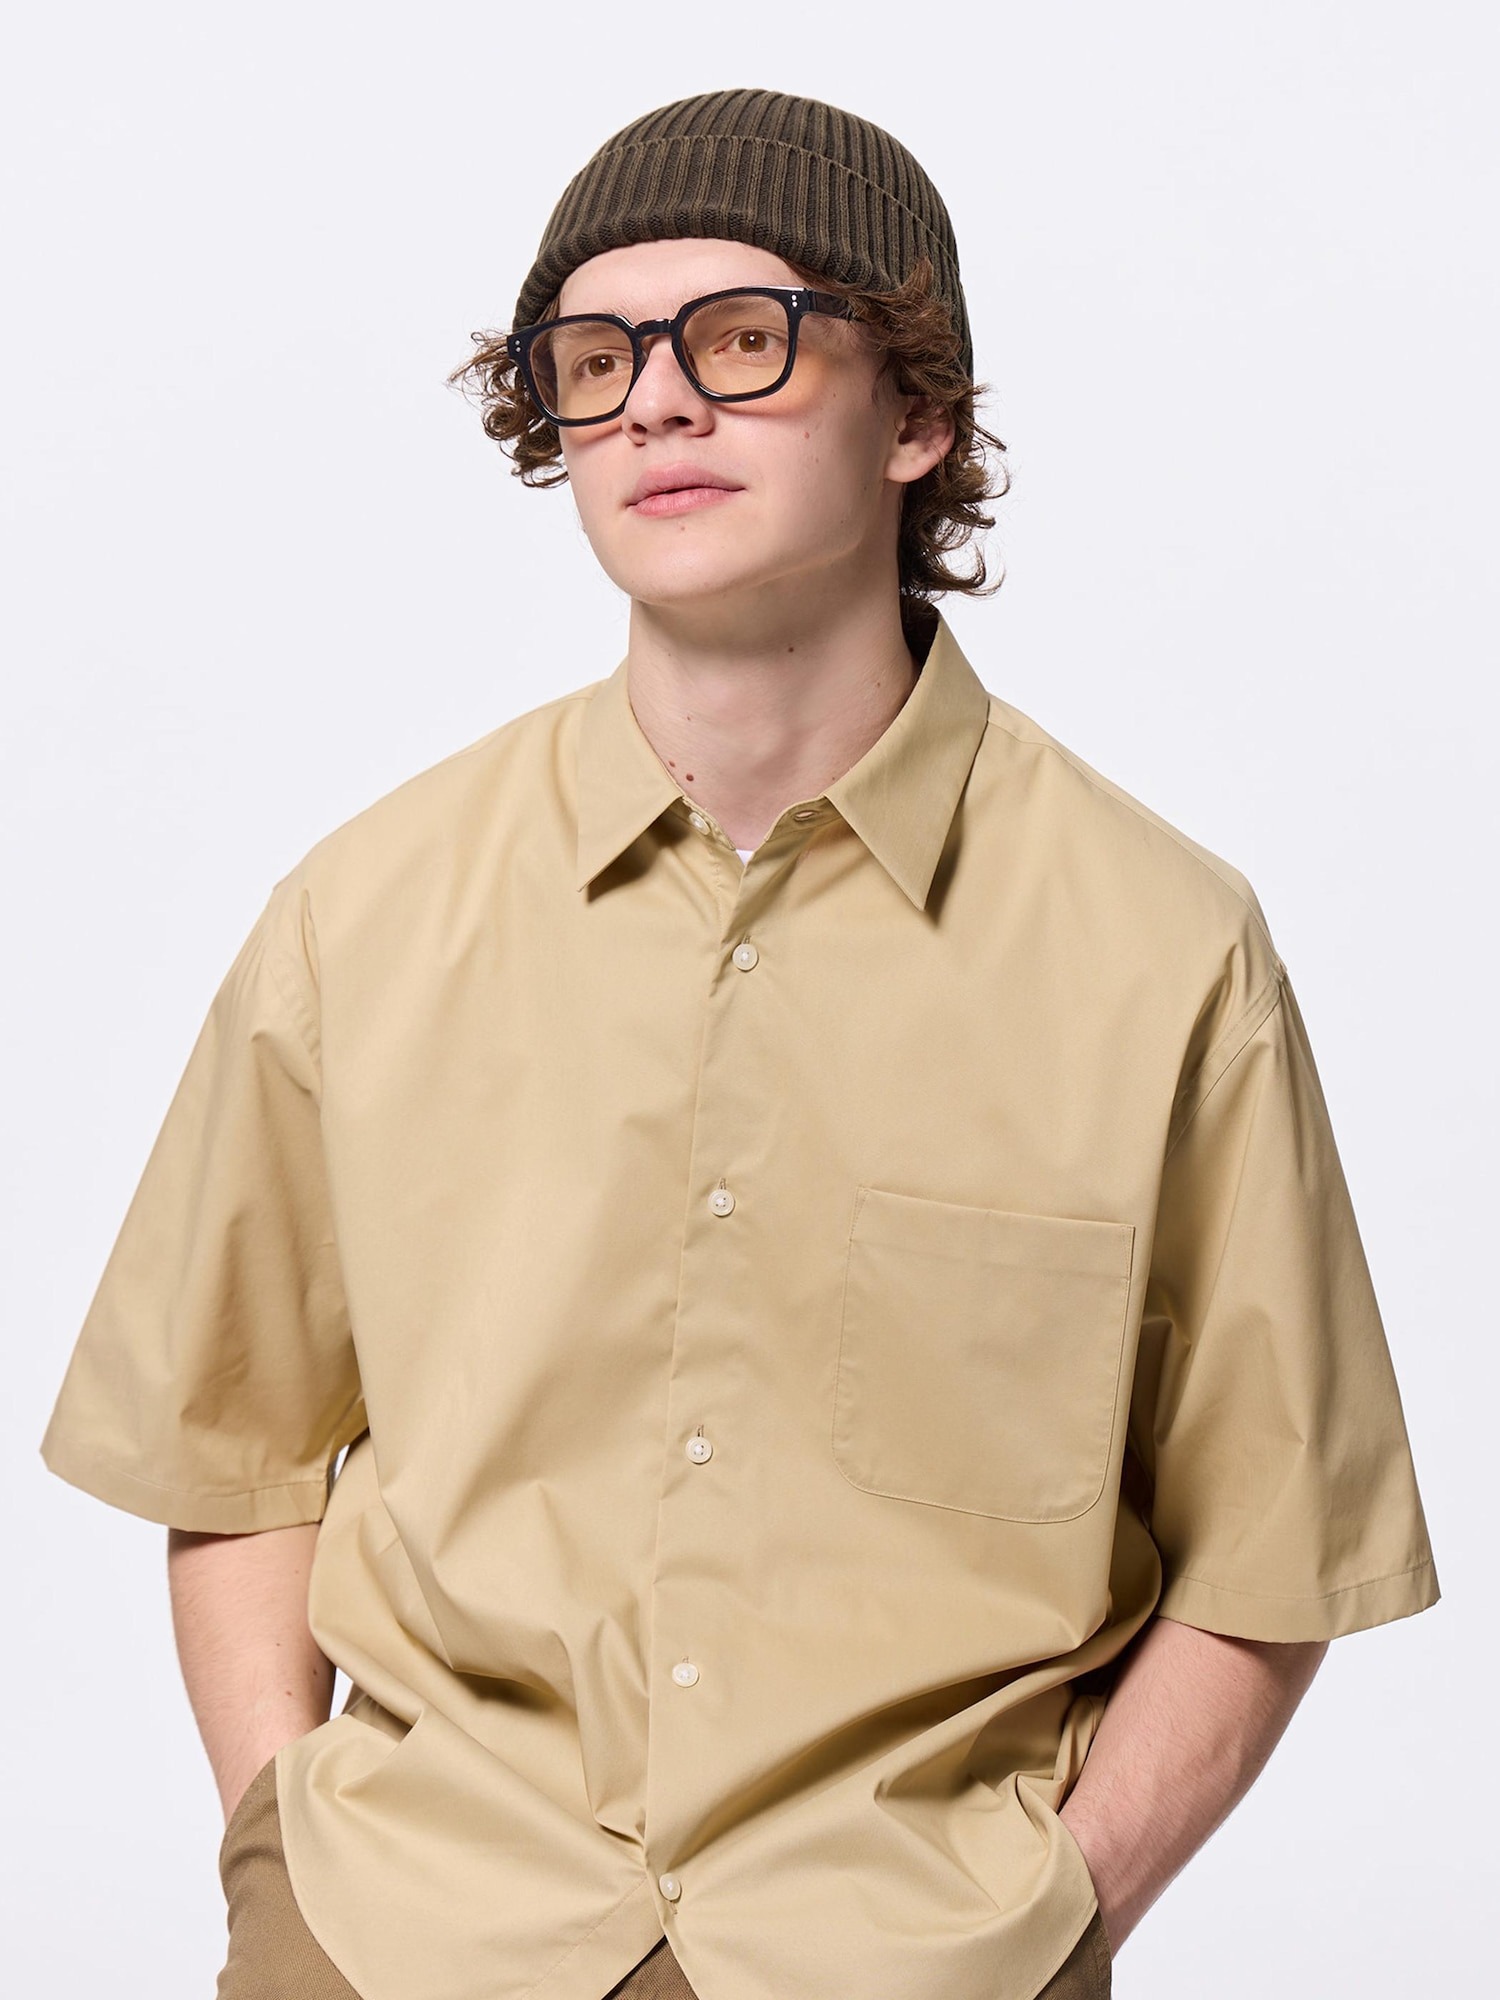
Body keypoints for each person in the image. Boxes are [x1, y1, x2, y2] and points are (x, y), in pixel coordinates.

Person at [40, 86, 1439, 2000]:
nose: (656, 405)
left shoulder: (1163, 954)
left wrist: (1053, 1919)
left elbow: (1278, 1547)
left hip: (908, 1956)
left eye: (740, 338)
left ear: (919, 416)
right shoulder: (362, 916)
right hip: (399, 1934)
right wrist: (282, 1847)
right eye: (595, 359)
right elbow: (231, 1449)